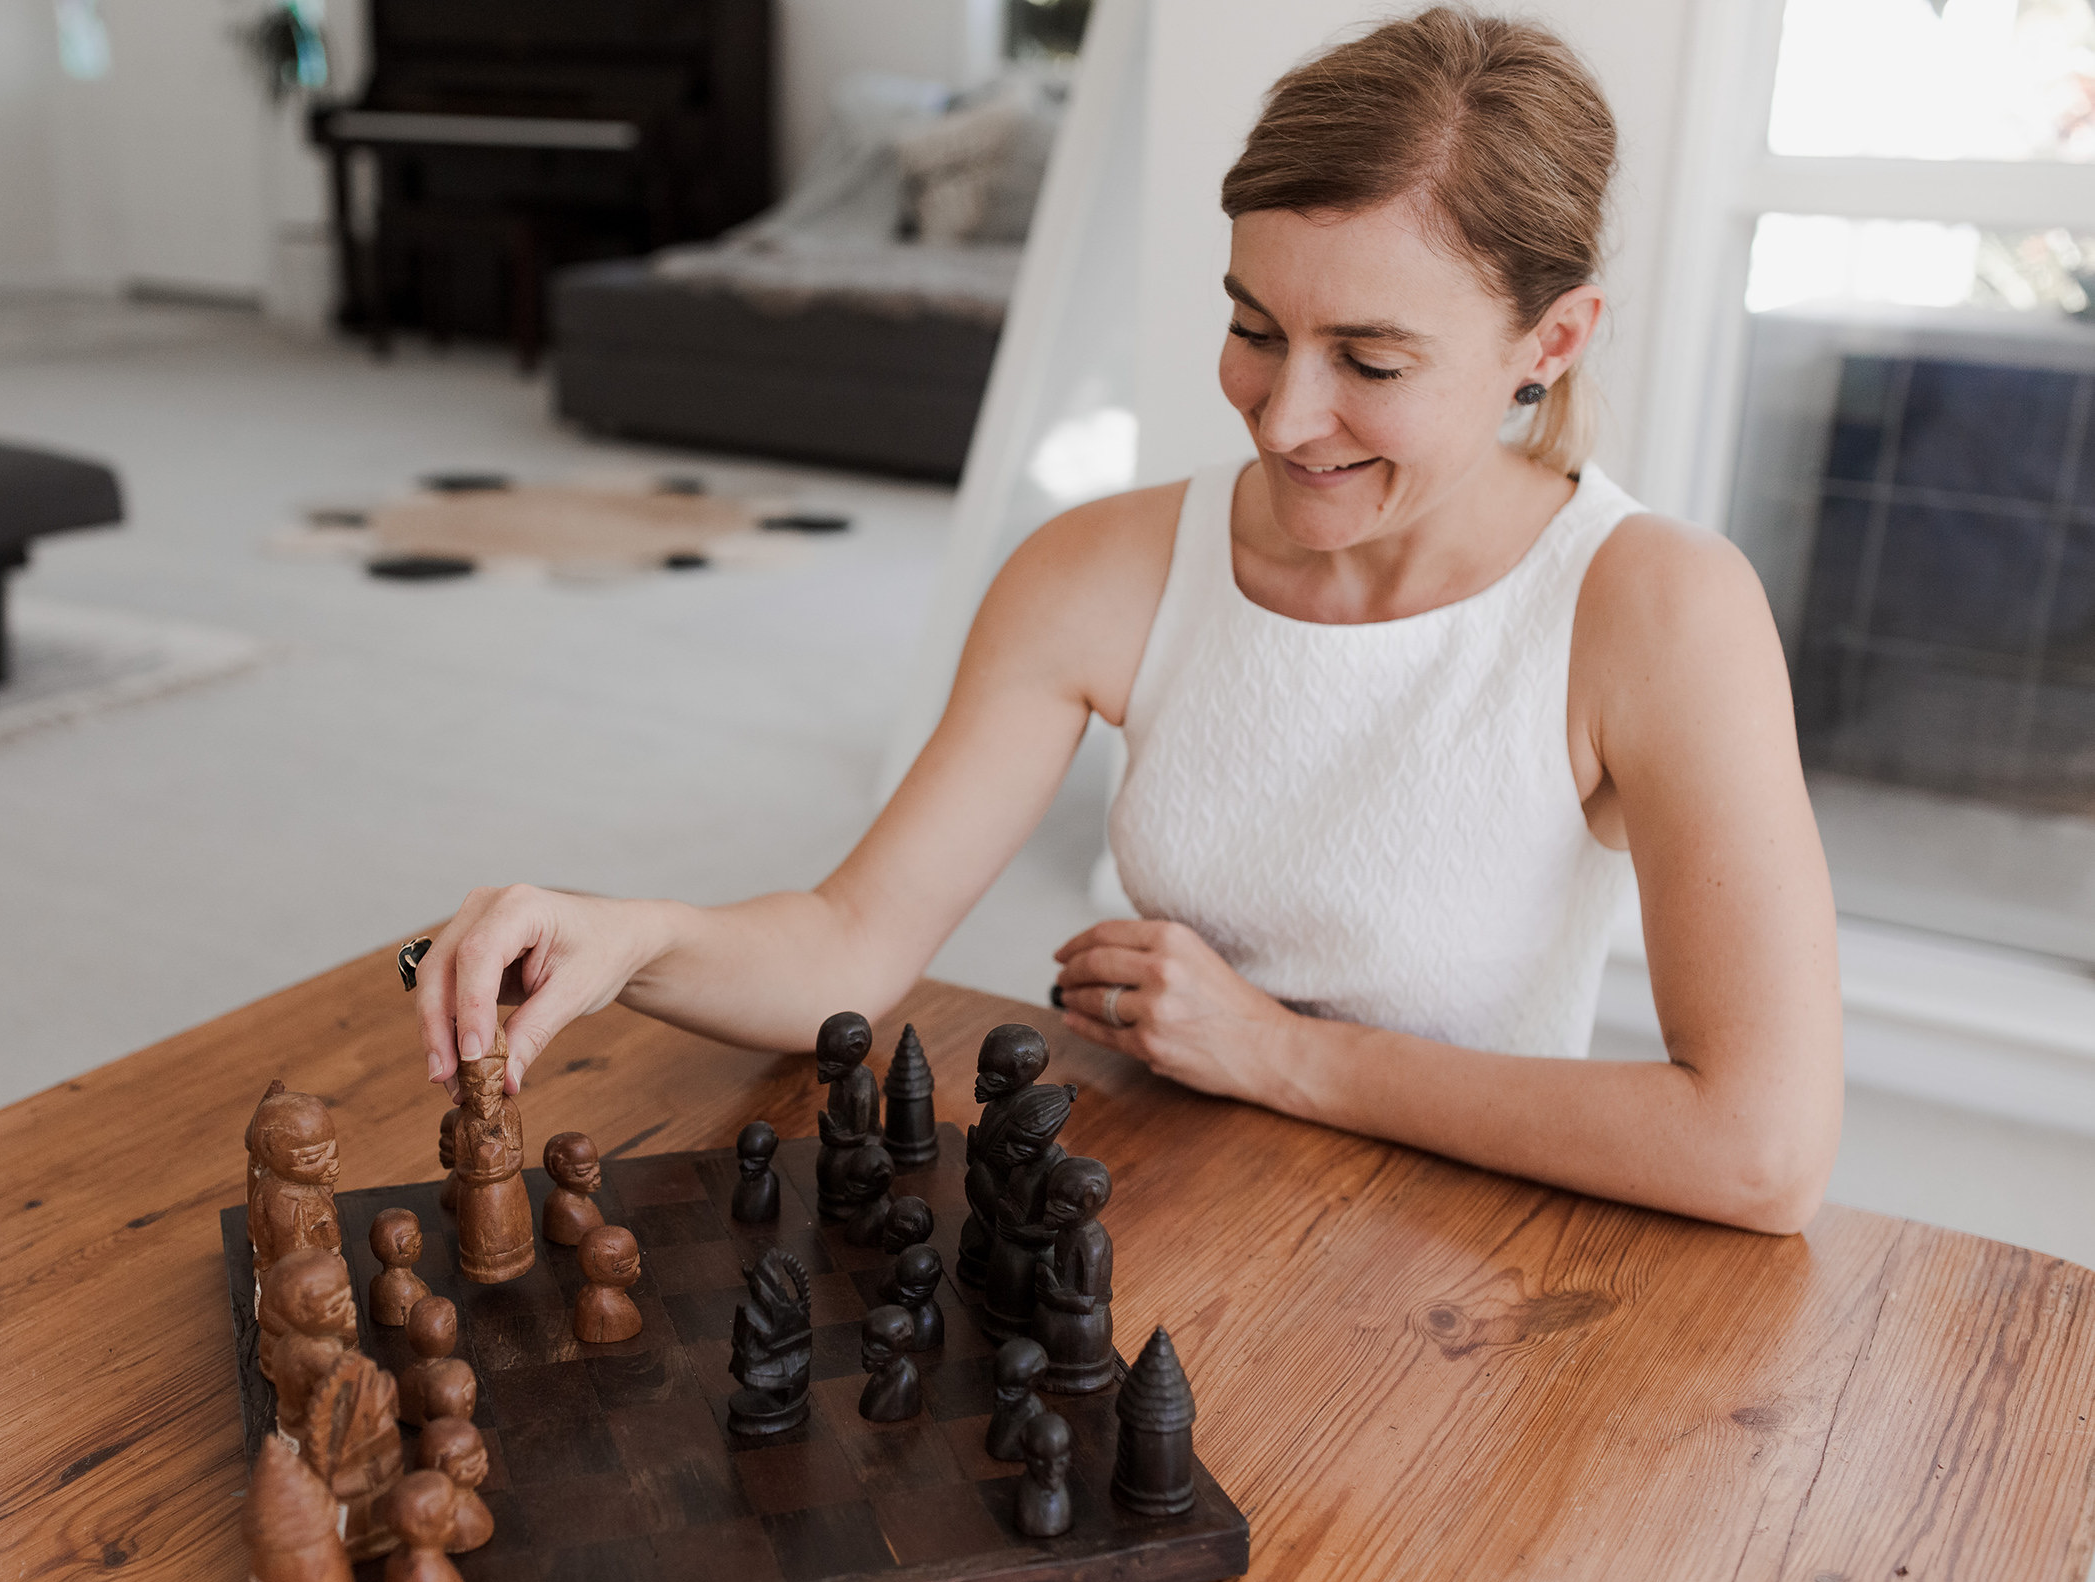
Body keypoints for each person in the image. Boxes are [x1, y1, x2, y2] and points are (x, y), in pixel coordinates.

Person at [404, 7, 1841, 1235]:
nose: (1285, 417)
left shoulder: (1656, 608)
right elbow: (850, 942)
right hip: (1153, 1214)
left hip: (1462, 1283)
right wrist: (621, 933)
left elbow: (1761, 1147)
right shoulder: (1100, 567)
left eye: (1373, 359)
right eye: (1256, 328)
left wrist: (1280, 1055)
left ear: (1554, 341)